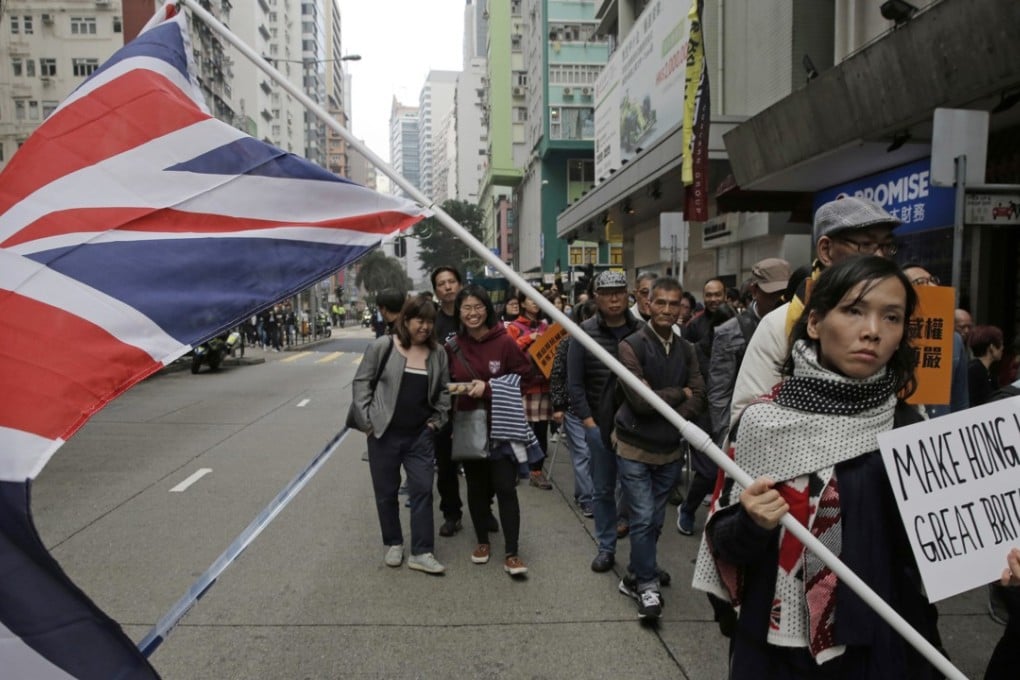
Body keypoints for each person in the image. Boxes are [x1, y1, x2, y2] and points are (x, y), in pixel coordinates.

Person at [694, 255, 944, 678]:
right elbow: (724, 542)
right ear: (814, 323)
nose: (872, 331)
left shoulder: (909, 428)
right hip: (775, 648)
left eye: (892, 317)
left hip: (878, 645)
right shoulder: (761, 422)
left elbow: (931, 550)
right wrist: (751, 522)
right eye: (853, 310)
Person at [729, 196, 901, 430]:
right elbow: (745, 422)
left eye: (886, 246)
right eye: (866, 245)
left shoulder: (900, 323)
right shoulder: (779, 325)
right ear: (826, 250)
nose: (880, 257)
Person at [614, 277, 706, 619]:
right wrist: (677, 392)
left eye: (674, 303)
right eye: (661, 303)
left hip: (669, 448)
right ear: (648, 305)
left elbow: (699, 394)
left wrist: (672, 410)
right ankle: (647, 586)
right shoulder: (630, 345)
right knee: (641, 518)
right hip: (634, 446)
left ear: (682, 307)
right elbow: (639, 400)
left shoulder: (687, 349)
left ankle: (638, 572)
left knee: (654, 521)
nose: (668, 309)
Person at [351, 296, 451, 575]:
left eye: (430, 321)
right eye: (420, 320)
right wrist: (367, 422)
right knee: (386, 493)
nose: (426, 327)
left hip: (420, 435)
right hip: (383, 434)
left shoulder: (438, 353)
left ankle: (422, 551)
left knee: (422, 490)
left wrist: (436, 422)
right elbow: (362, 383)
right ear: (406, 321)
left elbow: (443, 391)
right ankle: (393, 542)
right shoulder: (384, 347)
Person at [447, 285, 532, 576]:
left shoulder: (505, 342)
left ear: (488, 308)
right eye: (466, 308)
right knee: (476, 488)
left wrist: (490, 388)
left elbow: (524, 375)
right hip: (468, 427)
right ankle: (482, 541)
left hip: (501, 427)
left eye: (478, 306)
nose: (472, 313)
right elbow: (444, 385)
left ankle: (512, 551)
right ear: (459, 312)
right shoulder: (452, 346)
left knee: (506, 488)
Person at [567, 270, 642, 573]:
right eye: (607, 293)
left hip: (636, 428)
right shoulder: (583, 332)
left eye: (620, 292)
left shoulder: (641, 330)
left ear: (628, 295)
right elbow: (575, 384)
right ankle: (606, 547)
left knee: (637, 494)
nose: (614, 298)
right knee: (602, 490)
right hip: (598, 425)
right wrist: (588, 423)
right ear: (595, 297)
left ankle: (642, 558)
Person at [706, 258, 791, 449]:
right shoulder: (730, 332)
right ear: (754, 291)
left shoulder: (797, 324)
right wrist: (725, 442)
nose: (780, 299)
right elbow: (720, 393)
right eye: (773, 293)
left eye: (785, 293)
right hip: (745, 427)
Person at [429, 266, 468, 537]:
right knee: (445, 464)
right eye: (441, 283)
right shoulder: (432, 322)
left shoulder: (474, 314)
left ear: (460, 284)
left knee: (480, 458)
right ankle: (451, 513)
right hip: (443, 401)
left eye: (451, 281)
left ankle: (484, 509)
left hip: (473, 399)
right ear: (436, 290)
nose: (447, 287)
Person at [901, 263, 968, 417]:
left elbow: (960, 400)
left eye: (933, 280)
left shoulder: (955, 341)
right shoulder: (892, 337)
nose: (932, 285)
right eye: (921, 282)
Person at [550, 300, 597, 516]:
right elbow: (557, 375)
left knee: (596, 455)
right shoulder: (568, 344)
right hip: (573, 409)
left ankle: (584, 494)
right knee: (582, 454)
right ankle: (587, 499)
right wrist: (558, 406)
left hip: (599, 409)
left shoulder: (606, 343)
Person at [505, 290, 554, 489]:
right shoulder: (514, 327)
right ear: (523, 304)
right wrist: (530, 338)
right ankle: (515, 468)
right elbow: (508, 351)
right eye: (531, 299)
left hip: (543, 385)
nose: (535, 303)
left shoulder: (546, 326)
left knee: (541, 431)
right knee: (519, 430)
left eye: (538, 300)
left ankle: (536, 471)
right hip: (523, 387)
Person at [968, 324, 1004, 407]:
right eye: (1001, 343)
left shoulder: (987, 371)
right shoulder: (974, 370)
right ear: (991, 347)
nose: (1003, 347)